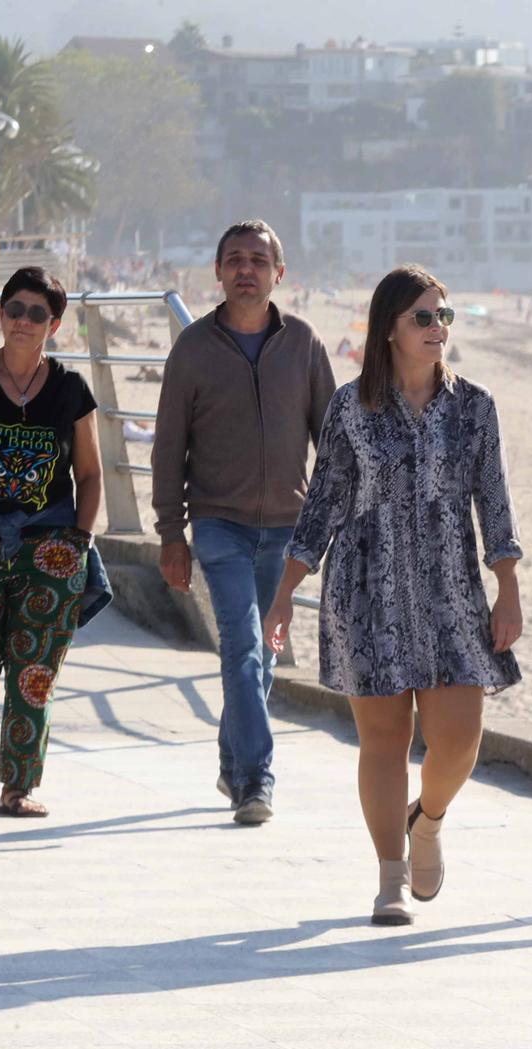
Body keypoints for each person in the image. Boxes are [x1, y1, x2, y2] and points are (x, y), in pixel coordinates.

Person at [264, 265, 523, 926]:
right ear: (390, 329)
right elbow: (322, 505)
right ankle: (388, 879)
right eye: (424, 317)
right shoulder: (351, 408)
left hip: (452, 598)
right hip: (365, 596)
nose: (439, 329)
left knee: (458, 742)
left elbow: (494, 502)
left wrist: (509, 589)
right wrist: (287, 593)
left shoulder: (475, 407)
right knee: (382, 742)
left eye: (445, 316)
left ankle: (427, 821)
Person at [153, 220, 336, 826]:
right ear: (218, 272)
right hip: (219, 524)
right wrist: (171, 534)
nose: (246, 269)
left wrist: (332, 521)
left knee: (261, 650)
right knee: (244, 645)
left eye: (258, 260)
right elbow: (168, 445)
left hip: (287, 527)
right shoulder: (195, 348)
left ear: (279, 274)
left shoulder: (304, 343)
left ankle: (234, 761)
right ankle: (257, 781)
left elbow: (331, 442)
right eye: (234, 259)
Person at [0, 268, 101, 817]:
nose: (23, 320)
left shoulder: (71, 390)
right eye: (14, 309)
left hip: (52, 545)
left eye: (37, 313)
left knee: (34, 672)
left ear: (55, 325)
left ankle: (20, 786)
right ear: (0, 315)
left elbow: (89, 474)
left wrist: (82, 541)